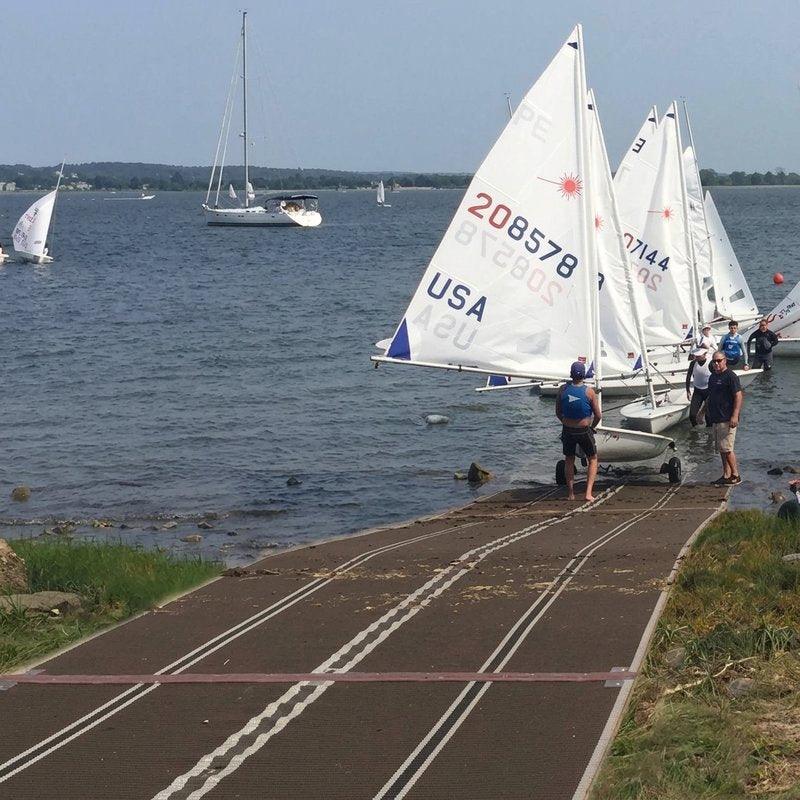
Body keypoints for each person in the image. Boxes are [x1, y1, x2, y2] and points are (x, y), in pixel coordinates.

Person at [555, 361, 602, 502]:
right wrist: (592, 427)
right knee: (592, 459)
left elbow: (558, 413)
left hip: (568, 430)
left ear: (571, 374)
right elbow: (598, 415)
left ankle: (571, 494)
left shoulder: (562, 389)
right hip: (583, 430)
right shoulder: (589, 391)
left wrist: (565, 423)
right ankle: (588, 493)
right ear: (584, 374)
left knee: (569, 460)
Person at [706, 350, 743, 485]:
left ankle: (736, 475)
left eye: (719, 361)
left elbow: (738, 396)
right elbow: (710, 396)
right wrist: (702, 412)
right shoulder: (713, 377)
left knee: (727, 449)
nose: (716, 363)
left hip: (727, 418)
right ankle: (726, 475)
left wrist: (735, 415)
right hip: (716, 417)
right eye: (714, 361)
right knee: (721, 449)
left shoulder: (731, 376)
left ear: (725, 361)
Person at [685, 346, 712, 427]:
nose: (697, 357)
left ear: (705, 354)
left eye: (699, 356)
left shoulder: (710, 364)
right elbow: (688, 377)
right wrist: (688, 391)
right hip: (698, 391)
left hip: (709, 391)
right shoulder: (693, 363)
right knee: (692, 416)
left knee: (709, 417)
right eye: (696, 356)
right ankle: (696, 432)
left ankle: (710, 436)